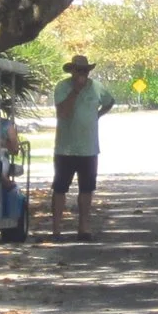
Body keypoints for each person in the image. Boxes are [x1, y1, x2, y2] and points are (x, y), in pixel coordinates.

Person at [50, 52, 116, 240]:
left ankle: (84, 228)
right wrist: (76, 91)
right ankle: (56, 229)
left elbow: (109, 102)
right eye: (79, 70)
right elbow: (63, 113)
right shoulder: (62, 87)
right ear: (72, 71)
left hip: (89, 148)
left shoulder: (96, 87)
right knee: (60, 188)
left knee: (87, 188)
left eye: (85, 71)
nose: (82, 74)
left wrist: (98, 114)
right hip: (66, 148)